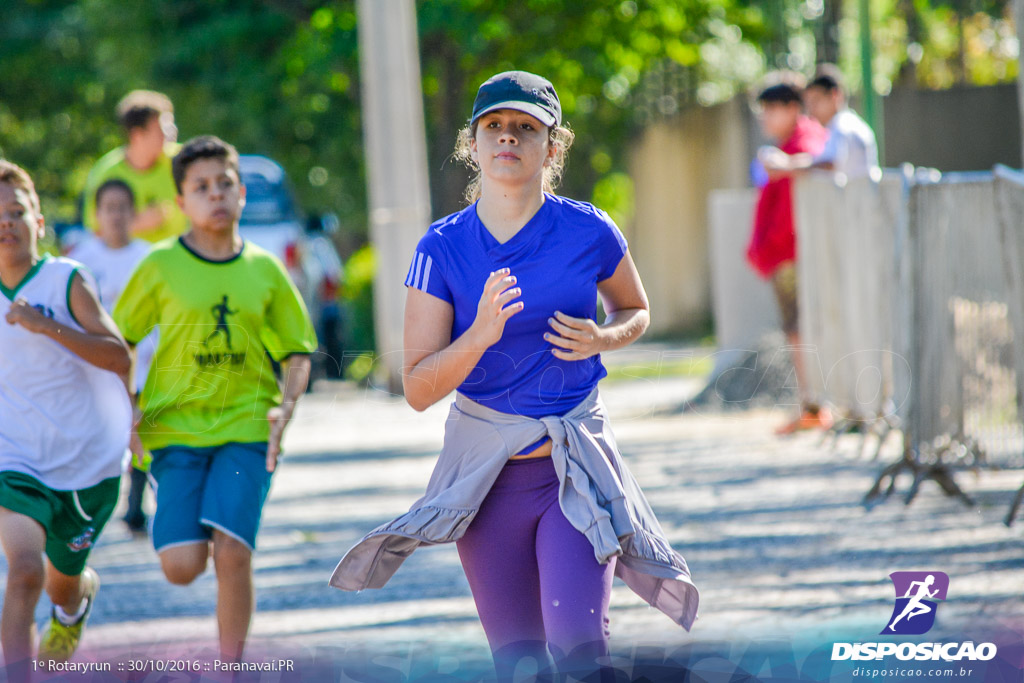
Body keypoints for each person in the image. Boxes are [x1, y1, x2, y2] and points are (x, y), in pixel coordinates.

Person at [330, 71, 699, 682]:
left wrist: (604, 337)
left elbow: (635, 308)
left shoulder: (590, 230)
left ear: (552, 147)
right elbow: (419, 389)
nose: (509, 138)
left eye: (527, 128)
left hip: (572, 472)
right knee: (519, 665)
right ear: (471, 144)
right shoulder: (442, 247)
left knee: (581, 650)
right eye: (494, 127)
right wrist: (477, 336)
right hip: (487, 483)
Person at [112, 136, 318, 661]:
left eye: (225, 184)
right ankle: (191, 512)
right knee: (182, 567)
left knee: (232, 552)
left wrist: (286, 409)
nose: (216, 194)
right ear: (181, 202)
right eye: (201, 187)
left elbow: (297, 353)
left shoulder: (265, 270)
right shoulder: (159, 266)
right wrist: (130, 406)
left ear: (242, 193)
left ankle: (231, 668)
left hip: (247, 432)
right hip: (175, 431)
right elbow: (121, 342)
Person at [0, 161, 132, 678]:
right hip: (14, 458)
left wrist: (43, 324)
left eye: (16, 212)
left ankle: (73, 606)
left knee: (61, 581)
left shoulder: (66, 280)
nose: (6, 222)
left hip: (84, 464)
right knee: (25, 571)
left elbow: (118, 356)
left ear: (39, 222)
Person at [746, 74, 831, 436]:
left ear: (793, 108)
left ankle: (814, 406)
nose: (764, 117)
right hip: (787, 256)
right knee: (797, 329)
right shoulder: (789, 145)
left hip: (797, 256)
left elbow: (818, 168)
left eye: (771, 109)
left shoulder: (804, 142)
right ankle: (809, 405)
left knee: (802, 329)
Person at [69, 179, 154, 533]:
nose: (116, 215)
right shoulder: (81, 259)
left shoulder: (149, 257)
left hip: (146, 363)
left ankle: (136, 504)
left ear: (134, 213)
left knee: (141, 430)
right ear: (97, 213)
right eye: (109, 207)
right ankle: (90, 505)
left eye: (123, 207)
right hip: (97, 368)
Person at [81, 90, 187, 244]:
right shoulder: (106, 173)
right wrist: (135, 225)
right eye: (162, 128)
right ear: (137, 135)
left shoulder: (182, 161)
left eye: (171, 125)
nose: (171, 132)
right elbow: (94, 232)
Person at [760, 64, 880, 182]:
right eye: (809, 102)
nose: (812, 108)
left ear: (835, 95)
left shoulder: (843, 125)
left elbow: (829, 163)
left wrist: (787, 166)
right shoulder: (840, 124)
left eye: (816, 100)